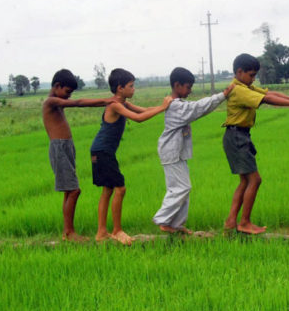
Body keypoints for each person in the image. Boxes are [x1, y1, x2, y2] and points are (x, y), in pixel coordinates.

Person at [222, 53, 289, 234]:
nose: (253, 79)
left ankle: (231, 222)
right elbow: (267, 99)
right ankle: (244, 222)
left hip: (238, 135)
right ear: (239, 72)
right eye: (251, 75)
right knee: (255, 179)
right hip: (237, 136)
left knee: (245, 181)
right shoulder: (239, 90)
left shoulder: (245, 86)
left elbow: (270, 93)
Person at [91, 68, 173, 245]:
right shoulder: (115, 105)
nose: (134, 89)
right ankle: (117, 230)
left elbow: (144, 110)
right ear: (120, 88)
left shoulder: (123, 103)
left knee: (108, 190)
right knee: (120, 189)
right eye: (131, 86)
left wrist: (166, 106)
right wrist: (163, 107)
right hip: (103, 151)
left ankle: (101, 233)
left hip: (101, 151)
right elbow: (139, 118)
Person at [153, 67, 234, 234]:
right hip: (171, 152)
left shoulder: (177, 103)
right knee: (181, 188)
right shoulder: (175, 106)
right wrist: (222, 95)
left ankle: (176, 225)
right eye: (188, 87)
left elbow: (194, 107)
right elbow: (198, 108)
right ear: (177, 85)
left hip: (176, 152)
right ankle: (163, 220)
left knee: (183, 187)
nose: (190, 91)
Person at [42, 68, 116, 242]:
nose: (68, 96)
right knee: (74, 190)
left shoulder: (57, 101)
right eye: (67, 92)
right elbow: (79, 103)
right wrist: (106, 100)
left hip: (66, 147)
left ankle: (67, 232)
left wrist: (106, 102)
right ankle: (69, 232)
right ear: (57, 86)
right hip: (59, 148)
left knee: (69, 191)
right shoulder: (50, 101)